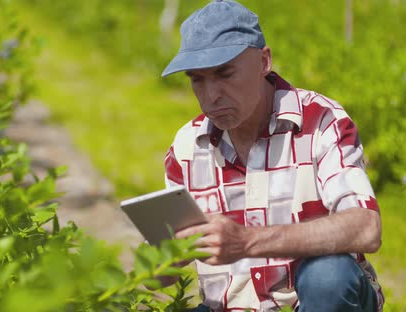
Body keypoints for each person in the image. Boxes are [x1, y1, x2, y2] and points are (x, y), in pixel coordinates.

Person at [160, 1, 384, 311]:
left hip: (312, 303)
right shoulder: (187, 146)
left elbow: (366, 227)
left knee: (328, 276)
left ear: (264, 61)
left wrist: (246, 241)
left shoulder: (320, 122)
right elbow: (153, 277)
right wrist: (169, 257)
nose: (211, 95)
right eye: (197, 79)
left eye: (224, 73)